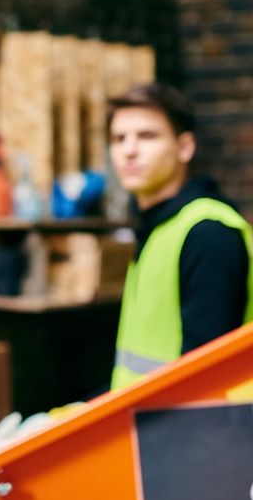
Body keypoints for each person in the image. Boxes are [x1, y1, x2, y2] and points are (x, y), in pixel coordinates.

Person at [108, 83, 253, 389]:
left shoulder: (207, 233)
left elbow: (206, 376)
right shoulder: (158, 228)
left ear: (185, 147)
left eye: (147, 136)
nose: (129, 150)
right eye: (119, 138)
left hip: (197, 433)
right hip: (149, 428)